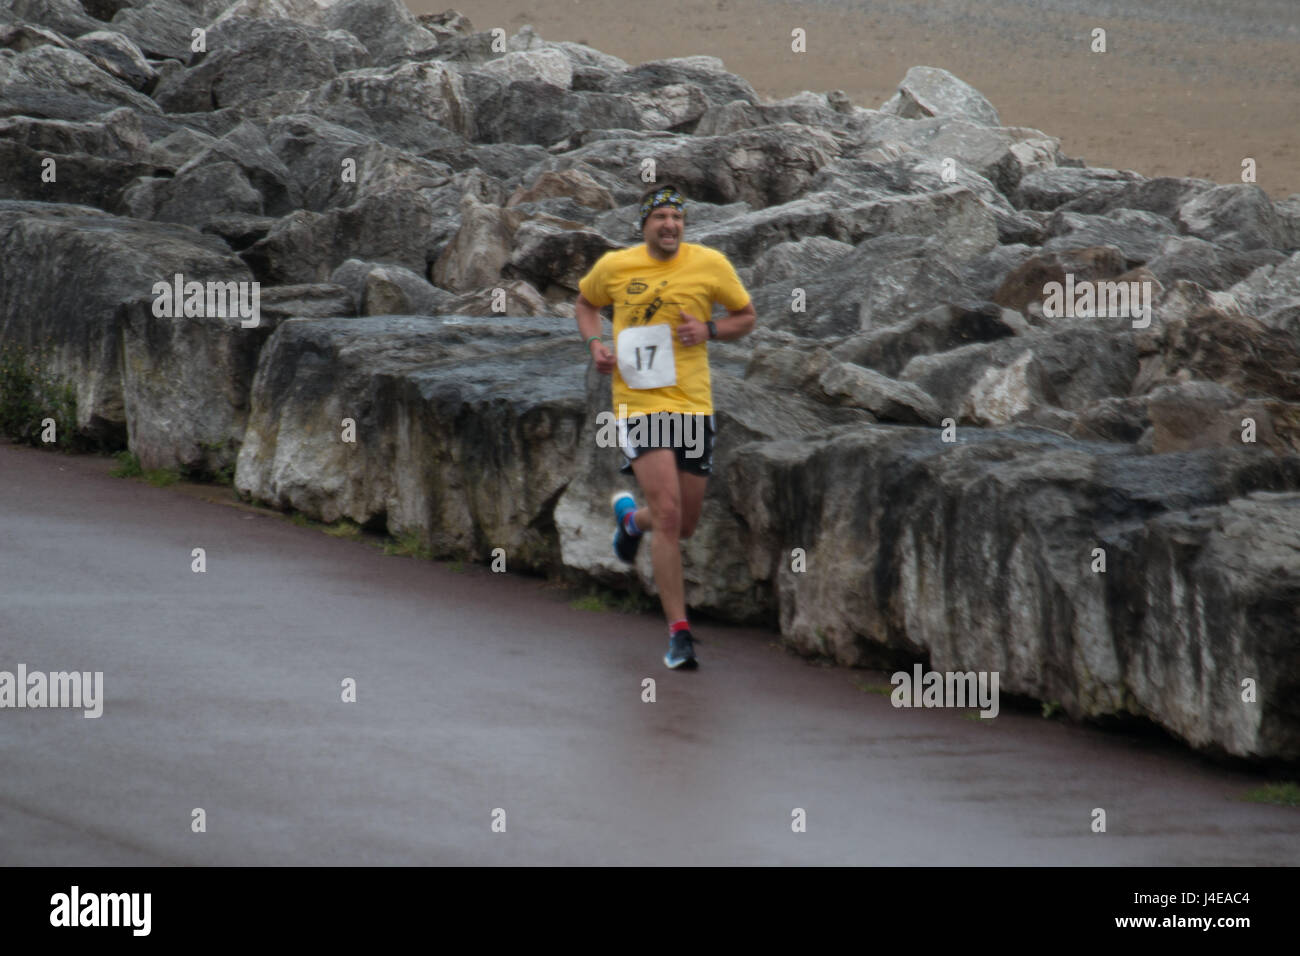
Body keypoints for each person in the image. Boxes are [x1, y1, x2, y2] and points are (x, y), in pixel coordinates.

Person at [575, 183, 756, 669]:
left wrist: (709, 330)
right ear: (644, 225)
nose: (670, 225)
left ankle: (631, 521)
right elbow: (585, 304)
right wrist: (596, 345)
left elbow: (747, 316)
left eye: (677, 217)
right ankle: (679, 634)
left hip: (693, 406)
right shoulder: (616, 267)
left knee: (685, 524)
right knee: (671, 515)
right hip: (638, 404)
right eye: (660, 218)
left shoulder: (710, 265)